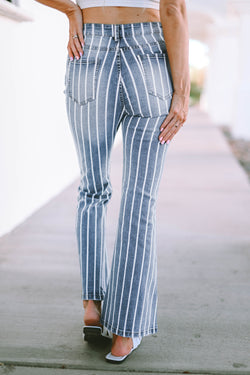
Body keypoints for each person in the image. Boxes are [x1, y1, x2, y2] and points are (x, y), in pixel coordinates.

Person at [35, 0, 190, 363]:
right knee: (140, 201)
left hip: (90, 48)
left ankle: (92, 303)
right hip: (148, 56)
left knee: (92, 189)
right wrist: (181, 95)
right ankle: (125, 331)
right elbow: (173, 10)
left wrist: (72, 11)